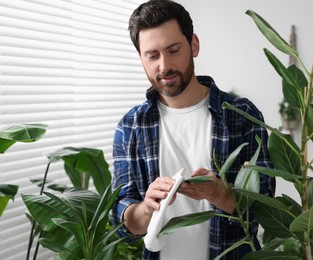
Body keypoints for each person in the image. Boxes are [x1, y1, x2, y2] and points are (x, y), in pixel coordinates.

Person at [111, 0, 275, 259]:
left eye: (173, 50)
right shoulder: (131, 126)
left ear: (194, 45)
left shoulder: (242, 115)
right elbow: (122, 221)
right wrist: (146, 208)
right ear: (141, 58)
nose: (163, 66)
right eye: (152, 55)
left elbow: (267, 205)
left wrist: (221, 194)